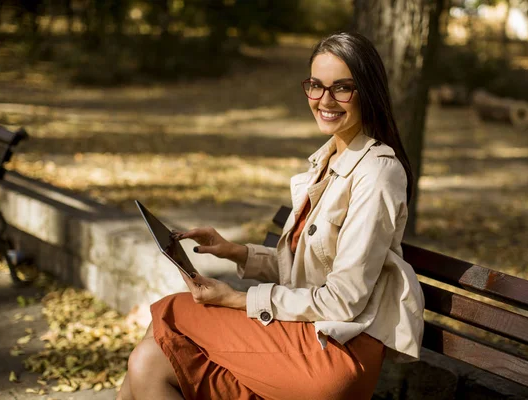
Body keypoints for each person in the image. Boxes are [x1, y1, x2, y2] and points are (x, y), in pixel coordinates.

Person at [117, 31, 424, 400]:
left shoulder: (377, 173)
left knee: (172, 309)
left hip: (335, 351)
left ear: (368, 92)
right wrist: (237, 252)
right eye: (316, 86)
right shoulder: (328, 160)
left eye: (342, 88)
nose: (325, 100)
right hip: (300, 338)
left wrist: (238, 299)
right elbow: (310, 269)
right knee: (148, 361)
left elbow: (344, 300)